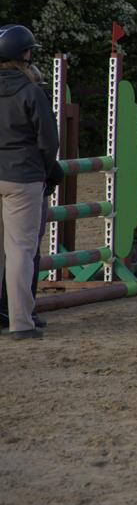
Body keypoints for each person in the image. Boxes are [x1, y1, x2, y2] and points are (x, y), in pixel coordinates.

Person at [0, 24, 58, 340]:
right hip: (22, 177)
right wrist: (49, 170)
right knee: (20, 250)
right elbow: (49, 141)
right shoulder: (32, 91)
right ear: (23, 54)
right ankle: (21, 322)